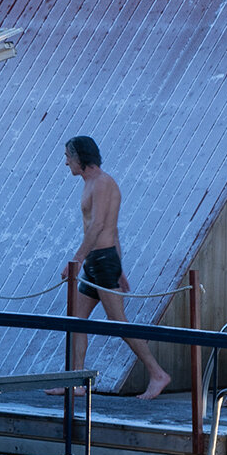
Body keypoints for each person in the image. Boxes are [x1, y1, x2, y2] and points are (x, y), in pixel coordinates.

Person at [54, 135, 169, 400]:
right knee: (76, 321)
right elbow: (112, 229)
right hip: (100, 261)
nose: (66, 163)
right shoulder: (91, 183)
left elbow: (99, 226)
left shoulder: (103, 183)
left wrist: (77, 261)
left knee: (118, 322)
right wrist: (120, 267)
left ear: (80, 157)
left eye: (68, 157)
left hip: (102, 260)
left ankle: (157, 374)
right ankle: (75, 381)